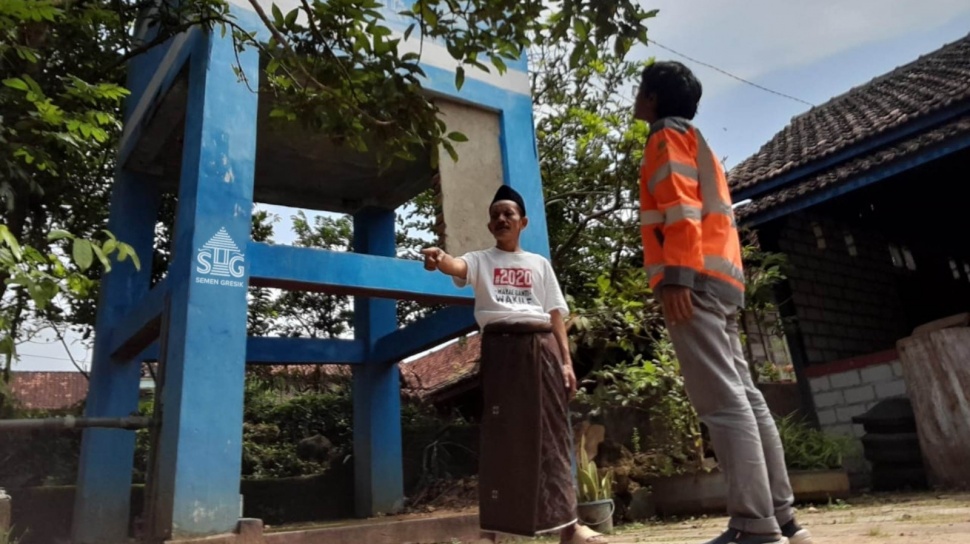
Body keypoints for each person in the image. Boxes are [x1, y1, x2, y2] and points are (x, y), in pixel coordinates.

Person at [633, 60, 813, 544]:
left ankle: (755, 527)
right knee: (746, 397)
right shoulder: (697, 140)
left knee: (723, 403)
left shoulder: (664, 137)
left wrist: (676, 277)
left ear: (652, 97)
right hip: (722, 280)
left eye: (640, 89)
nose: (636, 97)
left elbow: (681, 208)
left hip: (693, 281)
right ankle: (782, 519)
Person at [421, 185, 607, 544]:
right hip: (501, 352)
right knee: (500, 437)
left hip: (542, 350)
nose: (501, 219)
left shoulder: (539, 264)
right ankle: (490, 534)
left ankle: (571, 528)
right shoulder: (480, 260)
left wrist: (566, 364)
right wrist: (440, 258)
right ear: (490, 226)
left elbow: (556, 316)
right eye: (495, 215)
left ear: (523, 222)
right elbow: (455, 265)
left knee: (553, 435)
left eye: (509, 214)